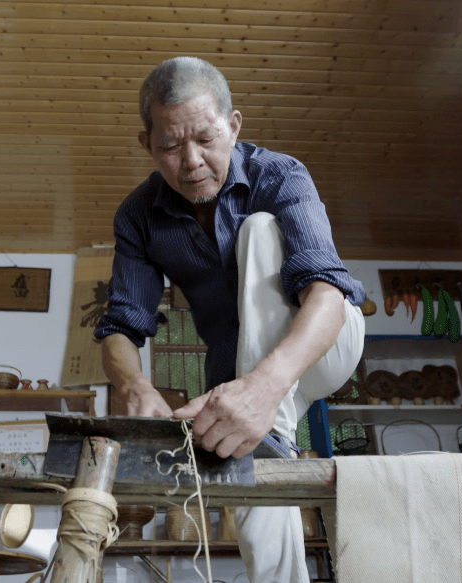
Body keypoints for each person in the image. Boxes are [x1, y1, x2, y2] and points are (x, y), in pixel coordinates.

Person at [94, 56, 366, 582]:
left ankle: (270, 420)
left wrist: (264, 391)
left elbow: (328, 293)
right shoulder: (137, 215)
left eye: (206, 138)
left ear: (234, 126)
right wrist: (132, 385)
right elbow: (121, 327)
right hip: (241, 379)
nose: (192, 161)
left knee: (260, 229)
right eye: (170, 147)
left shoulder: (279, 173)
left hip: (323, 347)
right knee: (245, 463)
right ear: (147, 145)